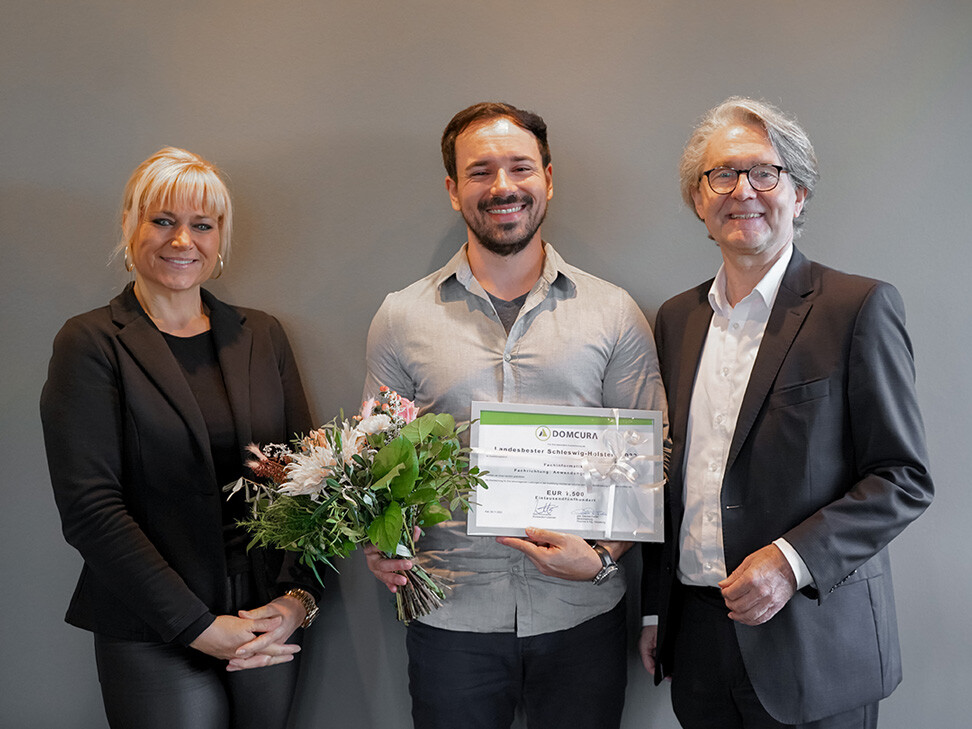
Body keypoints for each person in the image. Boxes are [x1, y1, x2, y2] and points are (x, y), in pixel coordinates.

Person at [362, 102, 666, 729]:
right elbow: (377, 462)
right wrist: (379, 541)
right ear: (453, 190)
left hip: (581, 615)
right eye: (480, 172)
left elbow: (650, 466)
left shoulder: (613, 314)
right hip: (450, 617)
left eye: (519, 167)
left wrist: (604, 557)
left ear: (548, 179)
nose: (502, 187)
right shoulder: (400, 317)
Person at [639, 97, 934, 728]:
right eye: (722, 174)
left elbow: (902, 478)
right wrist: (654, 610)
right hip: (698, 641)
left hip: (813, 639)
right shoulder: (675, 319)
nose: (743, 190)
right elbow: (668, 477)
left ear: (798, 194)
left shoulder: (857, 308)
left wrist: (790, 561)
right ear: (699, 199)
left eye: (764, 172)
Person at [40, 147, 320, 729]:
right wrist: (197, 626)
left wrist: (298, 601)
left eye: (202, 224)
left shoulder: (262, 336)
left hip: (266, 616)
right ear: (131, 226)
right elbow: (90, 509)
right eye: (162, 220)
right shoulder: (91, 343)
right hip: (152, 623)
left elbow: (312, 480)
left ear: (220, 238)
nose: (181, 240)